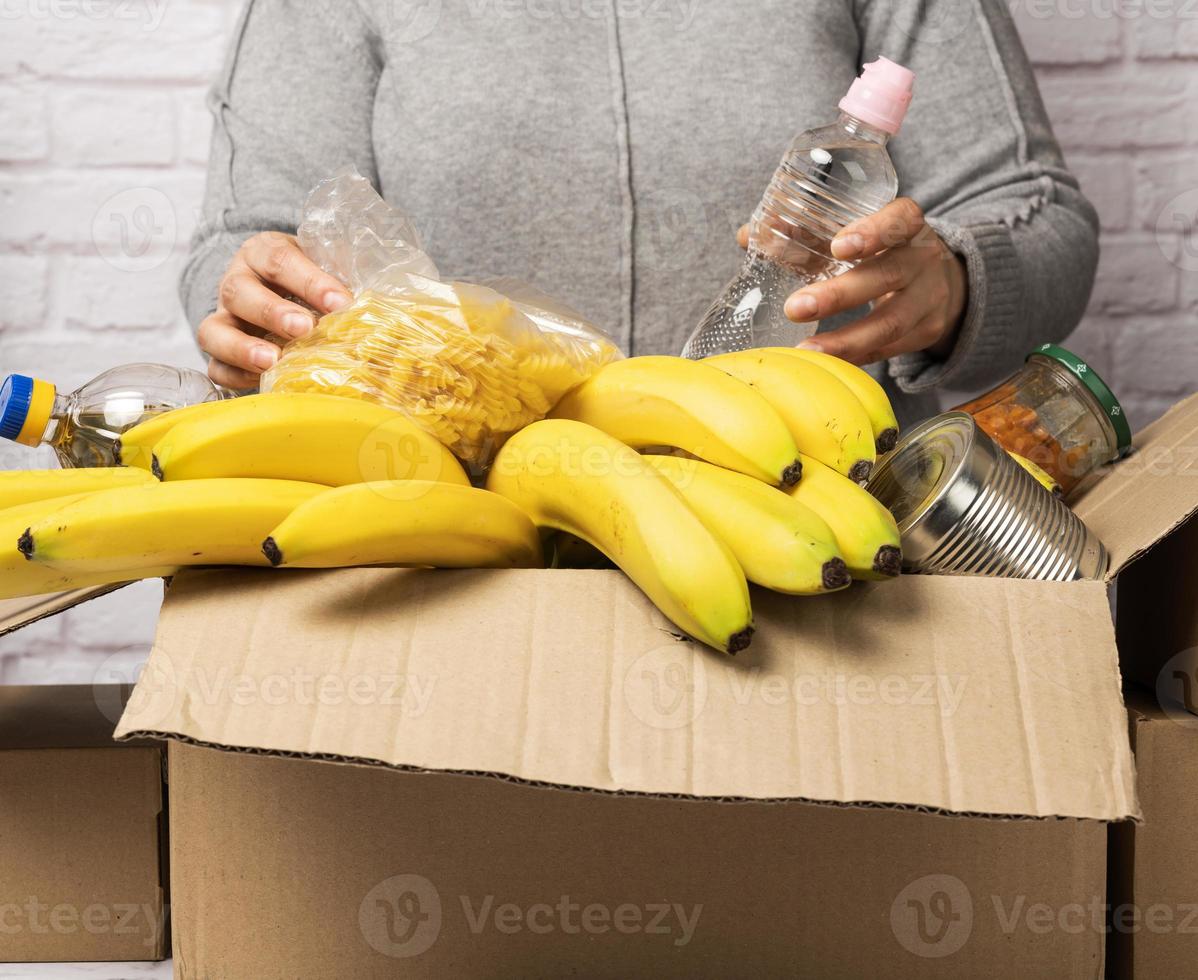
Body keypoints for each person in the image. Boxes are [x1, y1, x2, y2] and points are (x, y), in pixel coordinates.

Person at [182, 0, 1098, 426]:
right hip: (440, 545)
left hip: (814, 533)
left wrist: (957, 287)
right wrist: (255, 306)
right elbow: (248, 234)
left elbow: (1037, 212)